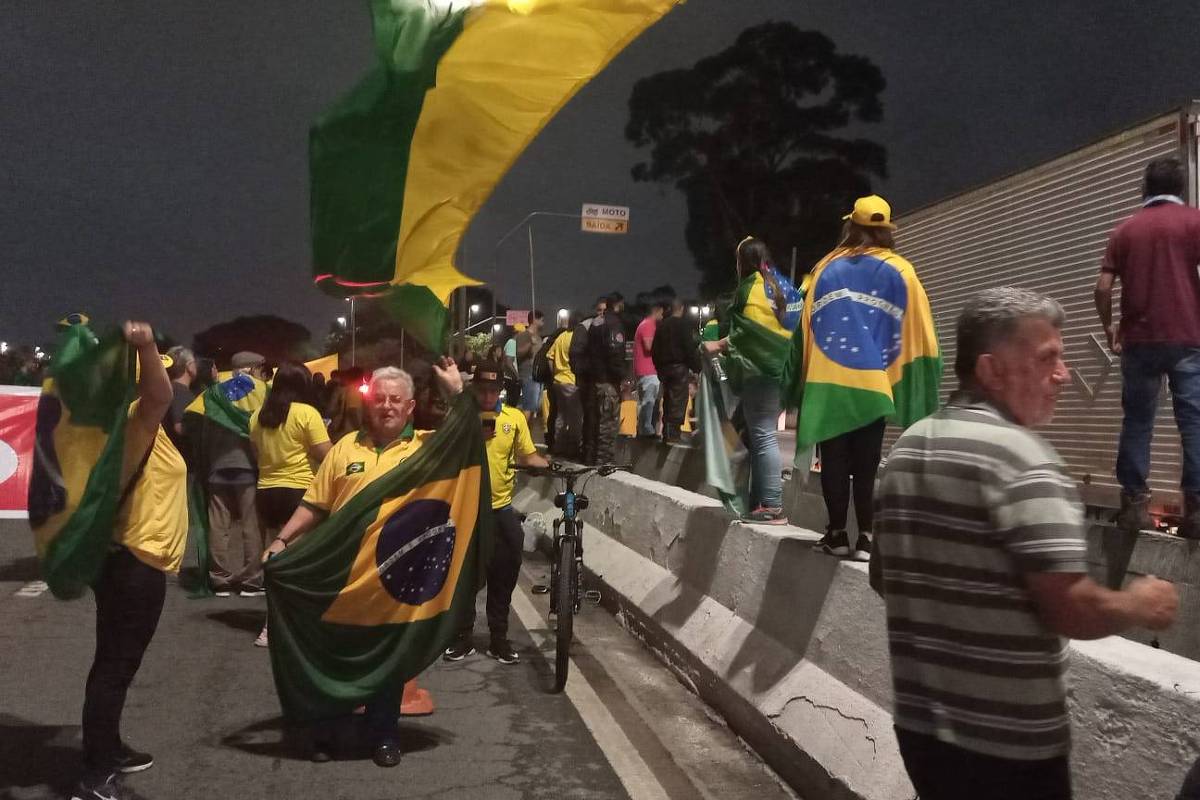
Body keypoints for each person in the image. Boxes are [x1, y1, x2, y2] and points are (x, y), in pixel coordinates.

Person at [872, 287, 1178, 800]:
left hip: (922, 731)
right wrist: (1138, 603)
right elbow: (1070, 610)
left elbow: (885, 578)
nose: (1062, 375)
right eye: (1048, 359)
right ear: (991, 370)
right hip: (1009, 749)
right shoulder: (1024, 461)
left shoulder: (906, 448)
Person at [261, 360, 463, 768]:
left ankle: (384, 735)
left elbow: (469, 438)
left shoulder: (426, 448)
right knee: (334, 653)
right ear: (369, 405)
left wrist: (457, 392)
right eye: (380, 399)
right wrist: (282, 539)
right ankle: (326, 731)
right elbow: (315, 504)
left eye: (396, 400)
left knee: (386, 659)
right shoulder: (344, 448)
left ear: (409, 408)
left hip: (393, 574)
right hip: (342, 571)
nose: (387, 407)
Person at [72, 321, 188, 800]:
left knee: (112, 662)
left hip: (120, 557)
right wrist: (145, 345)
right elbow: (160, 393)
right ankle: (95, 775)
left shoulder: (104, 425)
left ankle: (109, 747)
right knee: (115, 668)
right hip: (134, 562)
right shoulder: (136, 421)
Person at [806, 195, 937, 560]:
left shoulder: (827, 268)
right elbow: (919, 327)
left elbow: (806, 323)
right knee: (866, 462)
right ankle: (866, 537)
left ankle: (836, 534)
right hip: (875, 380)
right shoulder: (902, 271)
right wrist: (910, 375)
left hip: (832, 379)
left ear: (852, 227)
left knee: (833, 459)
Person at [1095, 156, 1200, 537]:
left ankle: (1136, 505)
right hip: (1189, 338)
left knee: (1138, 422)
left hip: (1139, 342)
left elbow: (1103, 288)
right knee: (1193, 422)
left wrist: (1109, 328)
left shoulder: (1124, 231)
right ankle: (1196, 510)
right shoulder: (1194, 222)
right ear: (1181, 189)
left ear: (1145, 188)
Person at [444, 360, 548, 665]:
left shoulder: (514, 418)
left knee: (504, 574)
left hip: (501, 509)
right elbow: (445, 453)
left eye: (493, 390)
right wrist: (471, 435)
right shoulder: (461, 416)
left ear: (501, 389)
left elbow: (527, 455)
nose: (488, 396)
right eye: (483, 390)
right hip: (467, 510)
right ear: (475, 389)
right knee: (463, 577)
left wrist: (548, 465)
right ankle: (462, 636)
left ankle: (498, 638)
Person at [703, 238, 792, 523]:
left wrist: (716, 346)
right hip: (782, 371)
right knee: (761, 435)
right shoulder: (781, 287)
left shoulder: (748, 288)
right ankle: (759, 501)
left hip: (758, 371)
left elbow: (747, 332)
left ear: (743, 261)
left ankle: (771, 505)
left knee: (763, 435)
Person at [248, 362, 331, 647]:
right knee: (299, 566)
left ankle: (273, 626)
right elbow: (327, 456)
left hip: (266, 494)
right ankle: (282, 628)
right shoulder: (307, 414)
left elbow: (256, 454)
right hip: (299, 494)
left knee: (275, 563)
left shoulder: (257, 416)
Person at [202, 351, 269, 597]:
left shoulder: (214, 392)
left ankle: (219, 578)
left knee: (219, 523)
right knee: (251, 524)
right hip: (248, 465)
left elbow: (206, 430)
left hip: (218, 464)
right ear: (253, 368)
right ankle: (251, 580)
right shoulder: (262, 390)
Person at [584, 292, 627, 464]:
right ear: (618, 304)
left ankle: (591, 457)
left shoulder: (595, 322)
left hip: (595, 380)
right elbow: (615, 352)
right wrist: (622, 376)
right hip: (609, 381)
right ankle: (604, 461)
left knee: (595, 421)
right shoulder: (614, 323)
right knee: (607, 425)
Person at [653, 299, 702, 443]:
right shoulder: (683, 326)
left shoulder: (661, 326)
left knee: (668, 398)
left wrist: (659, 368)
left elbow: (655, 350)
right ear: (681, 309)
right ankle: (673, 433)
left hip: (664, 368)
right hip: (679, 367)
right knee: (679, 400)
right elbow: (689, 348)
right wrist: (696, 367)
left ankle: (667, 432)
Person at [571, 297, 607, 462]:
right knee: (591, 416)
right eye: (599, 310)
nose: (602, 314)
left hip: (599, 379)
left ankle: (593, 453)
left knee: (598, 417)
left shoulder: (606, 328)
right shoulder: (585, 327)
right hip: (588, 380)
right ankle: (588, 453)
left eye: (605, 311)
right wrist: (586, 373)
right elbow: (576, 355)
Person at [549, 314, 582, 458]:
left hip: (558, 382)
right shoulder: (576, 338)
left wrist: (555, 374)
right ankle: (573, 448)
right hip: (571, 381)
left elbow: (549, 357)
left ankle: (558, 446)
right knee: (575, 418)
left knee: (561, 417)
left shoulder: (561, 336)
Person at [634, 303, 663, 438]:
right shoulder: (648, 325)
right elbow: (649, 346)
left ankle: (644, 429)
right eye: (661, 313)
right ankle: (647, 429)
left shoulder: (643, 324)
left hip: (644, 370)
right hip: (649, 370)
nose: (662, 316)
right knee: (649, 401)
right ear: (655, 311)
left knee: (646, 401)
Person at [163, 345, 197, 454]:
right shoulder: (181, 392)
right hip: (182, 458)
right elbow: (179, 426)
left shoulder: (167, 389)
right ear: (190, 366)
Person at [513, 310, 545, 422]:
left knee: (533, 408)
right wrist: (530, 344)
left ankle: (527, 434)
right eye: (541, 320)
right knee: (529, 407)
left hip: (537, 375)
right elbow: (518, 353)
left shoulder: (538, 337)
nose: (543, 323)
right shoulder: (524, 335)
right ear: (534, 320)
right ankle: (522, 433)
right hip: (529, 375)